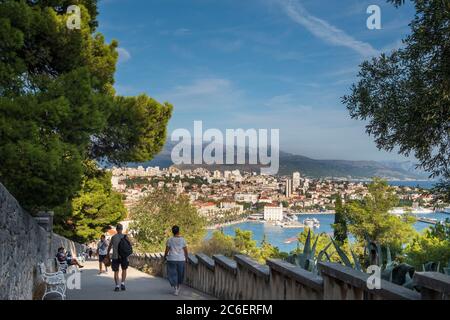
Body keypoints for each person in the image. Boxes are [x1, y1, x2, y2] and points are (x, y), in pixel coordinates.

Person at [164, 225, 188, 296]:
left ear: (172, 232)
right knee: (180, 274)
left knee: (172, 274)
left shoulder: (169, 239)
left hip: (171, 259)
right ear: (178, 231)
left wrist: (165, 257)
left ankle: (175, 288)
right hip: (181, 259)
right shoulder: (183, 240)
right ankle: (178, 287)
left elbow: (167, 250)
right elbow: (186, 250)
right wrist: (186, 257)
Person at [107, 224, 130, 292]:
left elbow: (109, 247)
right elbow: (129, 246)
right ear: (122, 229)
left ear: (116, 229)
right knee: (124, 270)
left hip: (115, 256)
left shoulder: (113, 237)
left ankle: (117, 286)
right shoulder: (125, 237)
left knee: (116, 272)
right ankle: (122, 284)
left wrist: (107, 254)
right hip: (124, 256)